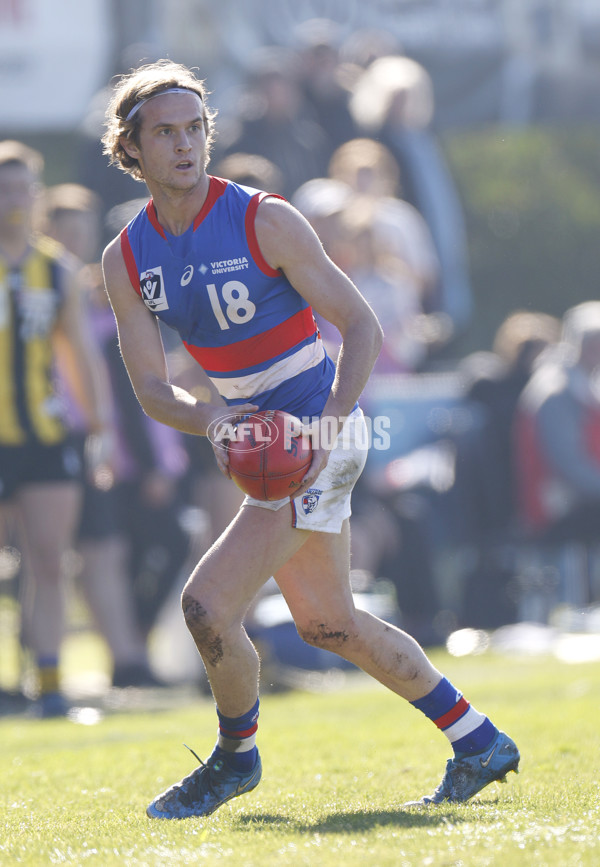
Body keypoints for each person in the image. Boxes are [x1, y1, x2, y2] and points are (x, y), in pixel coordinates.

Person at [100, 59, 519, 817]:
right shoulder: (126, 257)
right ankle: (478, 738)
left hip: (319, 429)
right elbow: (154, 391)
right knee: (329, 622)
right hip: (263, 440)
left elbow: (361, 324)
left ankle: (235, 759)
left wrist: (325, 425)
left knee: (206, 605)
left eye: (196, 128)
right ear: (130, 148)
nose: (187, 144)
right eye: (165, 132)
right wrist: (216, 419)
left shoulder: (264, 217)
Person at [0, 141, 109, 716]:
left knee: (48, 558)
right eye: (3, 189)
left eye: (22, 188)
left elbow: (81, 357)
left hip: (44, 436)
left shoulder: (57, 269)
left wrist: (98, 428)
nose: (12, 200)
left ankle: (49, 681)